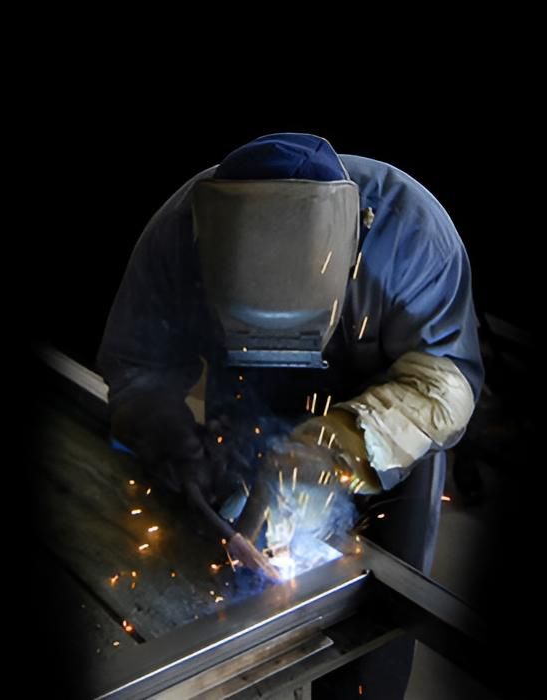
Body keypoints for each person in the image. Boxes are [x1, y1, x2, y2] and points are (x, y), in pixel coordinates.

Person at [97, 133, 483, 698]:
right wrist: (166, 434)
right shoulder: (178, 234)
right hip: (246, 401)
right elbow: (137, 364)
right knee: (226, 584)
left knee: (375, 620)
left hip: (390, 432)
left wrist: (338, 446)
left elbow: (445, 384)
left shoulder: (413, 235)